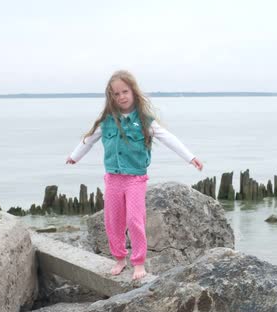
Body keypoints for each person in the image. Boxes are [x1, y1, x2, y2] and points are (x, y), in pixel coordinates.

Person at [66, 70, 203, 280]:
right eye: (116, 94)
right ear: (111, 97)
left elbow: (169, 138)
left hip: (135, 180)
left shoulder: (145, 121)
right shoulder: (107, 121)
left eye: (125, 91)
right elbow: (89, 139)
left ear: (133, 92)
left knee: (134, 219)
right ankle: (119, 258)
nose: (121, 96)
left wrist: (190, 157)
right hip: (113, 179)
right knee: (113, 220)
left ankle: (138, 262)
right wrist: (75, 156)